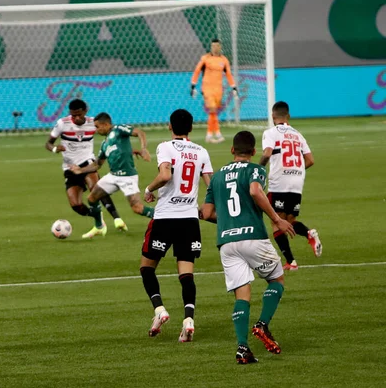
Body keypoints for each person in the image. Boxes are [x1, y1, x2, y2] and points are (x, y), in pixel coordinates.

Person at [201, 131, 295, 364]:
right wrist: (276, 218)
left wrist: (226, 223)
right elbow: (254, 190)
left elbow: (207, 213)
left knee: (241, 294)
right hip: (253, 237)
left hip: (227, 243)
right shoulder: (255, 169)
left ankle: (242, 348)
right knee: (277, 279)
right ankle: (262, 324)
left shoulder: (217, 177)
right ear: (253, 152)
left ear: (232, 150)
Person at [138, 109, 213, 342]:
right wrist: (205, 207)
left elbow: (165, 175)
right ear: (191, 128)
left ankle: (159, 310)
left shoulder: (165, 147)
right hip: (189, 220)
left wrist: (149, 190)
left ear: (170, 126)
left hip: (165, 218)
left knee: (147, 268)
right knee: (186, 275)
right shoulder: (201, 152)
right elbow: (211, 187)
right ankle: (188, 319)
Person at [46, 99, 127, 233]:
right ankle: (97, 217)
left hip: (87, 162)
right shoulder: (62, 123)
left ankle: (117, 219)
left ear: (85, 111)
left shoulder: (92, 123)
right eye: (73, 115)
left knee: (97, 189)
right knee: (76, 205)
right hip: (70, 167)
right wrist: (54, 149)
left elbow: (110, 132)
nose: (77, 118)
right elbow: (48, 143)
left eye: (79, 114)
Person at [70, 112, 154, 239]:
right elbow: (97, 164)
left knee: (137, 208)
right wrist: (80, 170)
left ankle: (167, 217)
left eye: (98, 127)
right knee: (92, 198)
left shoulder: (119, 129)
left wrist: (143, 148)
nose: (96, 130)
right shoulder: (105, 144)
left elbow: (140, 133)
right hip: (113, 176)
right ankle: (99, 226)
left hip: (127, 176)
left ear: (105, 124)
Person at [259, 101, 322, 270]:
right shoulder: (298, 135)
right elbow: (310, 160)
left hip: (279, 182)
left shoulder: (270, 133)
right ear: (288, 116)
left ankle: (291, 262)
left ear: (273, 117)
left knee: (276, 221)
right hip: (296, 181)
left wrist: (258, 169)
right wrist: (296, 170)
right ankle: (308, 233)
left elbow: (267, 153)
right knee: (289, 220)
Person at [190, 38, 238, 144]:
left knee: (214, 112)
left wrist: (234, 87)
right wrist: (193, 86)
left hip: (218, 89)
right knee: (212, 109)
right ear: (211, 47)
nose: (215, 48)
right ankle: (215, 133)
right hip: (207, 88)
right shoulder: (205, 59)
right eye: (213, 46)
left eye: (217, 46)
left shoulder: (224, 60)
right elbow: (197, 71)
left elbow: (229, 74)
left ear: (220, 47)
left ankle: (211, 134)